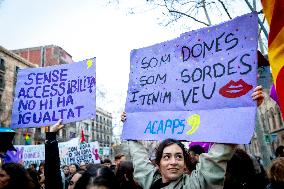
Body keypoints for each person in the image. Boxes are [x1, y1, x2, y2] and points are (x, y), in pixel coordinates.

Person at [121, 85, 264, 189]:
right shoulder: (150, 182)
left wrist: (245, 110)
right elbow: (138, 156)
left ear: (185, 164)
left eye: (179, 156)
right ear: (157, 164)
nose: (173, 162)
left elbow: (220, 152)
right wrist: (130, 123)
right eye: (166, 157)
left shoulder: (197, 184)